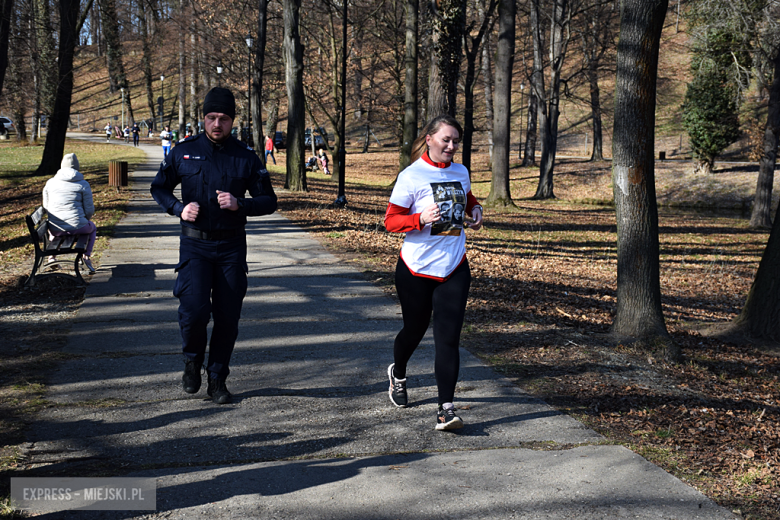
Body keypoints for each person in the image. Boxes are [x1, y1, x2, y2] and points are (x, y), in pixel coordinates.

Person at [150, 87, 278, 404]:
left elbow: (269, 201)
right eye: (211, 118)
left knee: (227, 317)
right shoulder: (183, 152)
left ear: (232, 121)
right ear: (203, 119)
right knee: (193, 312)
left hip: (232, 248)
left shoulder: (246, 157)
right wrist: (179, 209)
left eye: (223, 118)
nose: (216, 124)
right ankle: (192, 360)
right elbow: (159, 187)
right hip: (194, 247)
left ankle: (218, 379)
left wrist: (241, 204)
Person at [383, 114, 483, 431]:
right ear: (430, 139)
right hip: (416, 268)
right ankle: (398, 373)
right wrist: (420, 219)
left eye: (456, 141)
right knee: (414, 329)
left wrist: (475, 209)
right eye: (446, 140)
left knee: (448, 339)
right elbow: (390, 221)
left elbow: (466, 197)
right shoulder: (411, 176)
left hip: (453, 266)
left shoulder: (461, 171)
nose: (452, 146)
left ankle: (445, 409)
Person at [42, 153, 98, 273]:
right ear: (77, 167)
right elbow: (89, 209)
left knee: (55, 226)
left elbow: (46, 206)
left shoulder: (50, 183)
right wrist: (85, 220)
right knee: (92, 227)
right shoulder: (83, 184)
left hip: (56, 229)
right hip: (79, 226)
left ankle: (51, 258)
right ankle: (86, 257)